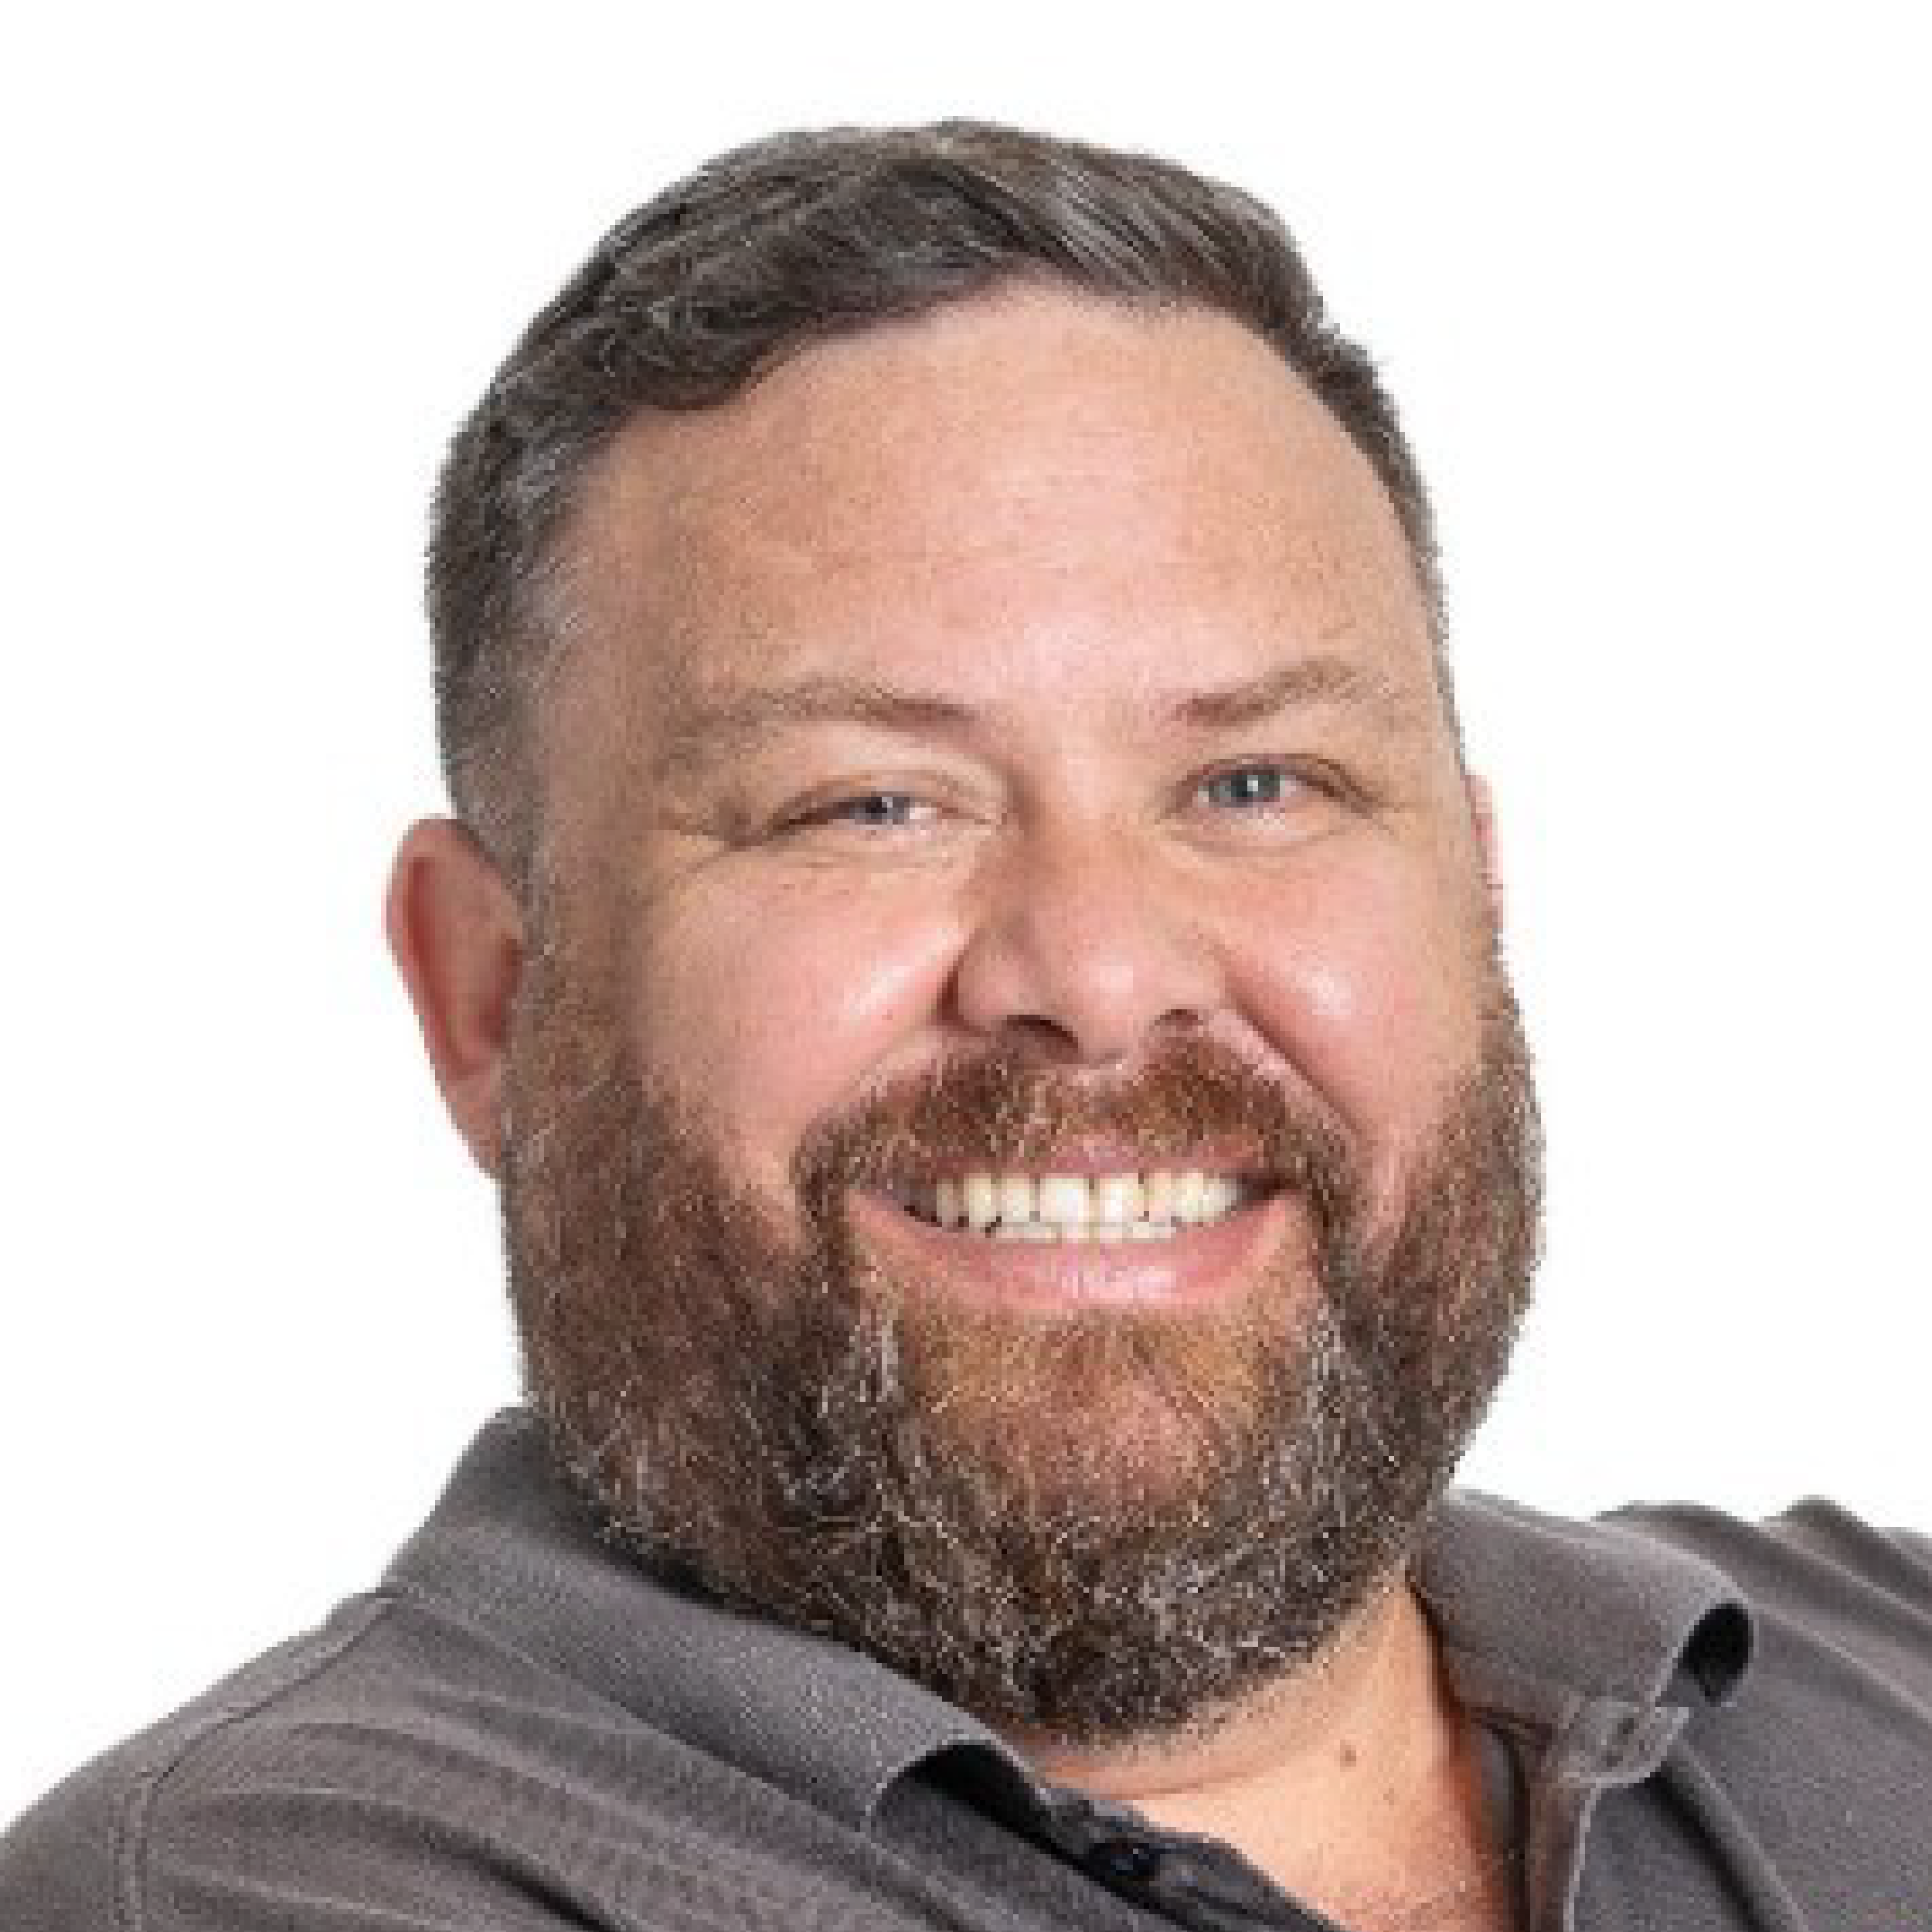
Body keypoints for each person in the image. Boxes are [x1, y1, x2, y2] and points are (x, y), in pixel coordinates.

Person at [2, 119, 1925, 1932]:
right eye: (870, 801)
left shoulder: (1881, 1649)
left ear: (1473, 883)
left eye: (1257, 781)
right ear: (489, 992)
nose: (1093, 973)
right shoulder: (274, 1886)